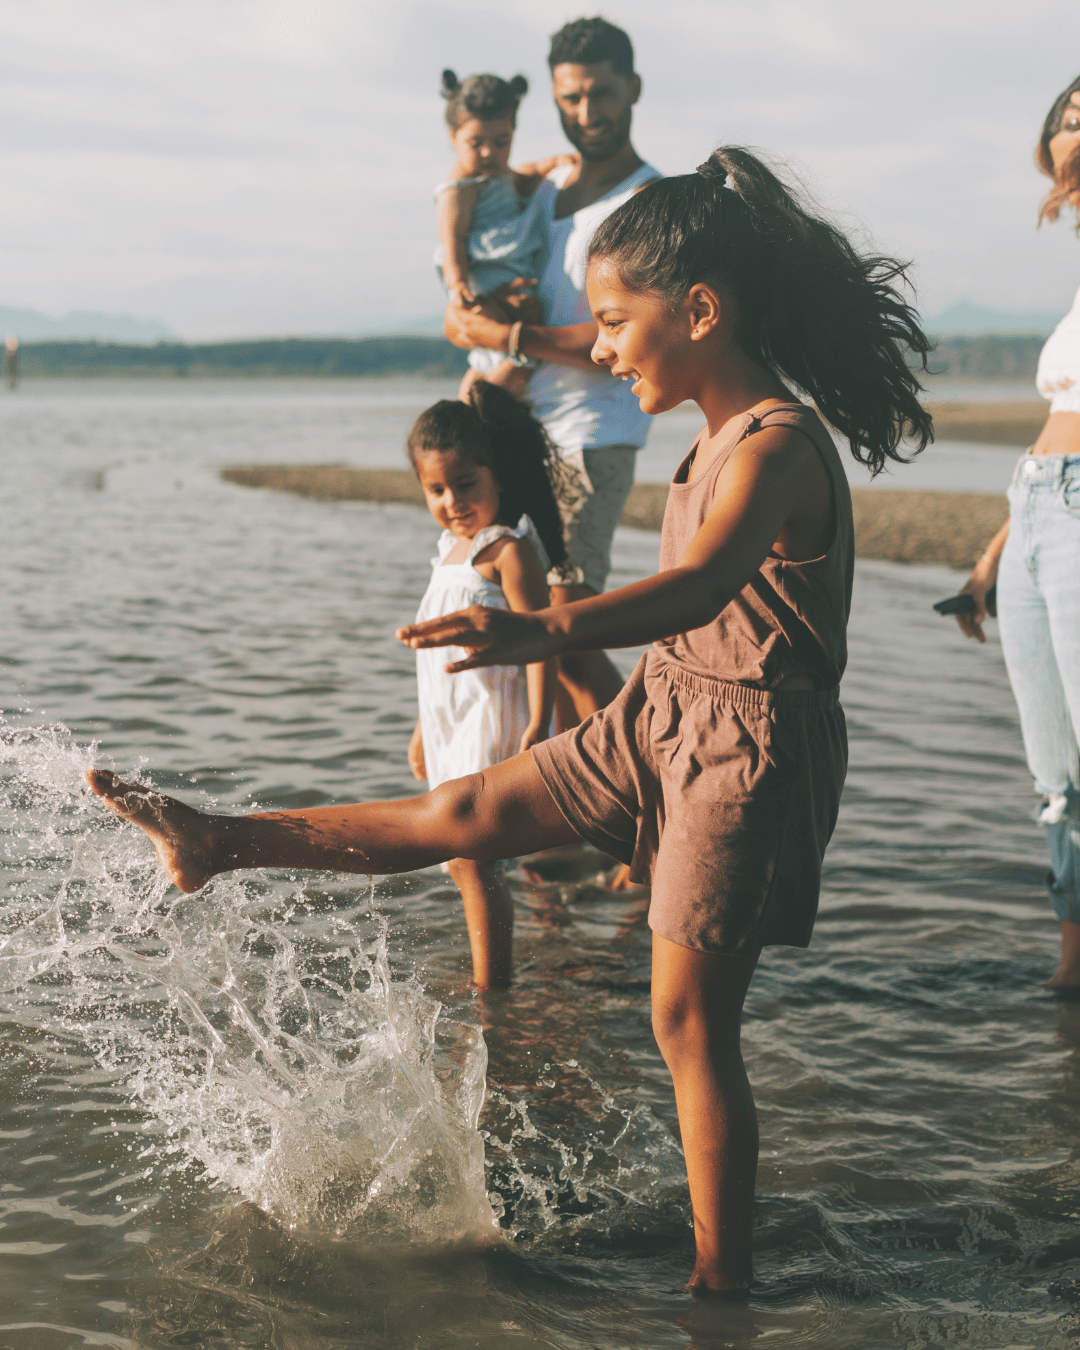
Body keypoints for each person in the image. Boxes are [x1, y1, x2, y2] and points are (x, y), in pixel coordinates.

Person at [86, 146, 932, 1292]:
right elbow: (678, 593)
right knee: (464, 805)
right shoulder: (710, 426)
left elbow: (706, 585)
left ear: (701, 310)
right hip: (663, 713)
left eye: (618, 323)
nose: (605, 345)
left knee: (685, 1023)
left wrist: (540, 631)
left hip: (746, 751)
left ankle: (719, 1287)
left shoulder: (776, 442)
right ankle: (220, 840)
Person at [443, 16, 661, 726]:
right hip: (510, 432)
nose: (587, 113)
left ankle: (652, 776)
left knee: (563, 634)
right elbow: (470, 290)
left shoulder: (647, 202)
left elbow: (630, 334)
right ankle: (566, 818)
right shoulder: (541, 188)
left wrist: (511, 335)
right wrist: (469, 319)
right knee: (510, 623)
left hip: (591, 436)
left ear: (632, 89)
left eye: (601, 94)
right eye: (571, 99)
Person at [954, 76, 1080, 989]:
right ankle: (1074, 967)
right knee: (1056, 772)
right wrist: (999, 549)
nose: (1077, 129)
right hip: (1039, 505)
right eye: (1068, 118)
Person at [405, 383, 570, 988]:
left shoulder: (508, 551)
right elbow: (433, 657)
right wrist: (423, 727)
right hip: (452, 725)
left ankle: (491, 990)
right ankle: (544, 943)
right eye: (436, 490)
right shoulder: (449, 551)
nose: (451, 502)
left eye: (465, 484)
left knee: (472, 861)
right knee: (463, 861)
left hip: (496, 724)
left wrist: (538, 720)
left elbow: (542, 638)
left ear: (495, 475)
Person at [433, 71, 573, 401]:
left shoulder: (497, 173)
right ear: (453, 137)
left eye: (501, 142)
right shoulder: (457, 189)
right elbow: (451, 239)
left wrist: (552, 163)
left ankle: (486, 394)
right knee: (507, 339)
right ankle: (483, 404)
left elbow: (520, 173)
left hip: (509, 263)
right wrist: (458, 284)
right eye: (475, 143)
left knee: (499, 344)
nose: (488, 153)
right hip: (480, 271)